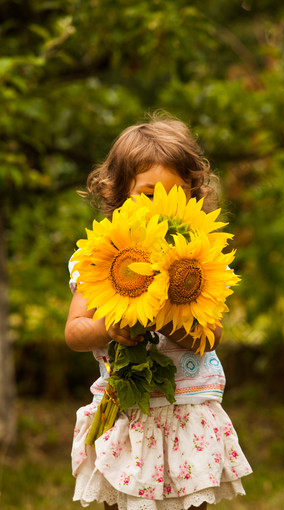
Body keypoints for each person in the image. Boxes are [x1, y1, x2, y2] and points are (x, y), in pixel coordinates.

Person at [65, 113, 252, 510]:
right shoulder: (99, 257)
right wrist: (109, 327)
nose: (160, 209)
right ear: (117, 193)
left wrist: (171, 314)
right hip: (125, 413)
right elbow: (75, 331)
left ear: (193, 194)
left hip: (187, 411)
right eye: (147, 194)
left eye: (175, 195)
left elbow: (212, 335)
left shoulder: (201, 261)